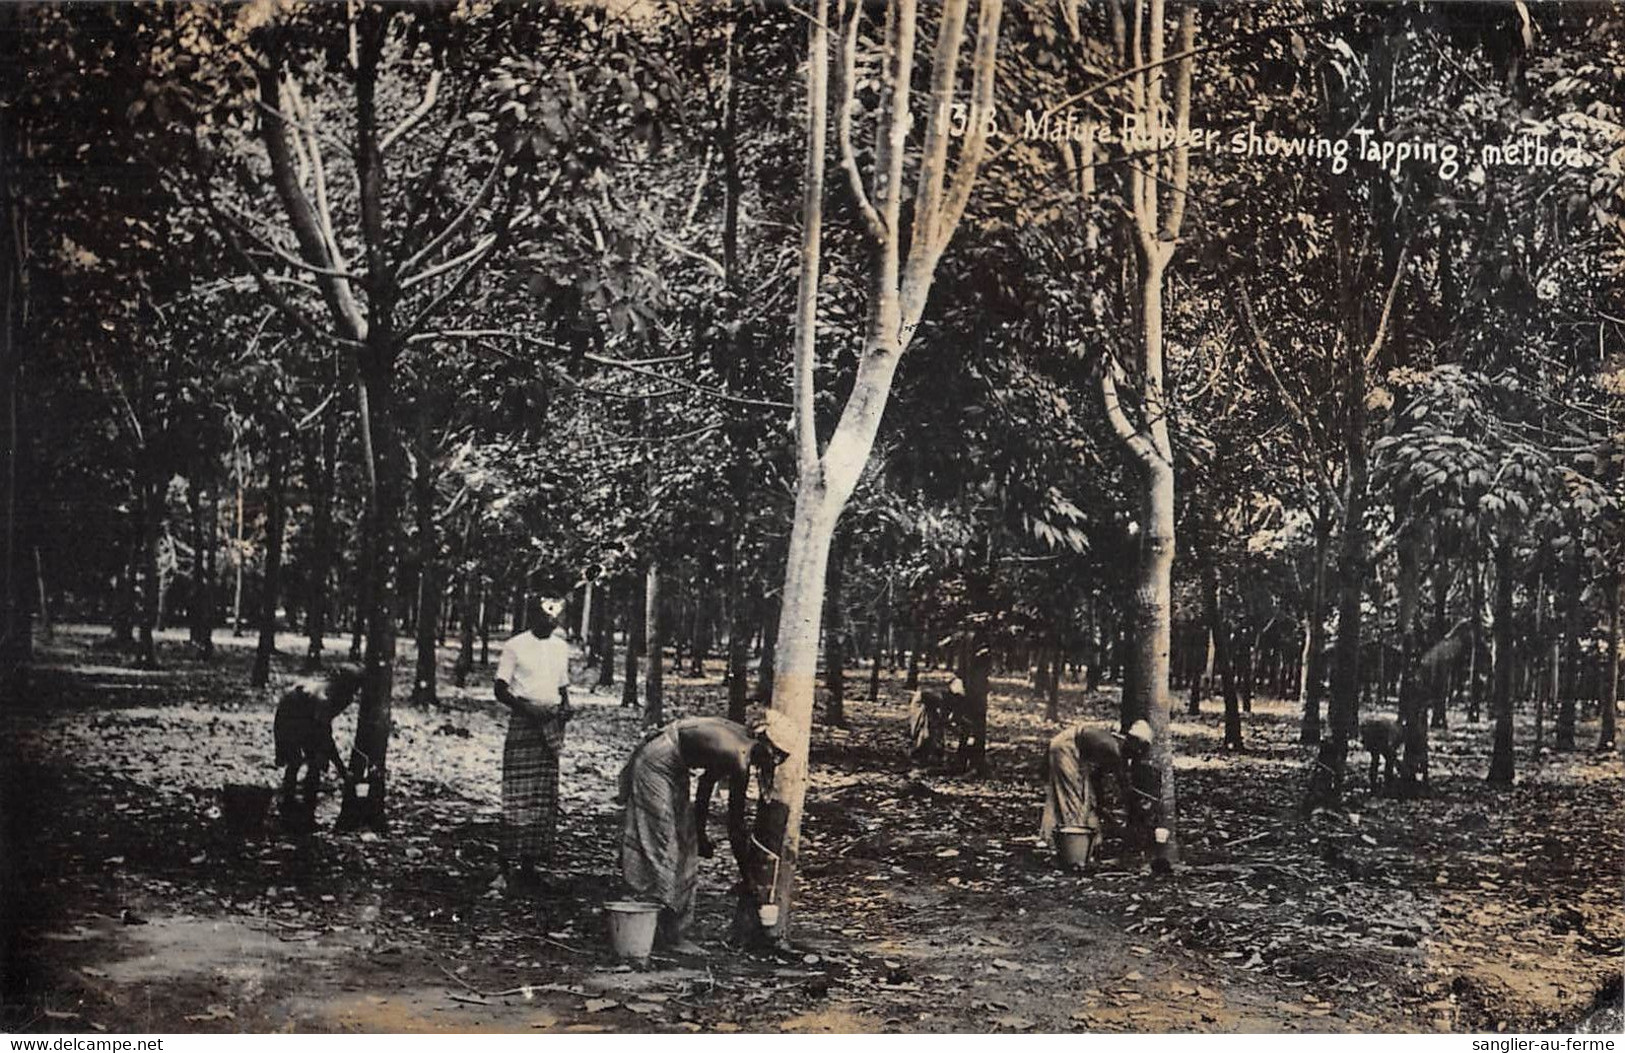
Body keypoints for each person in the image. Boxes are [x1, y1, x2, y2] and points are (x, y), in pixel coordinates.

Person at [616, 715, 785, 953]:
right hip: (656, 760)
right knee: (663, 844)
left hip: (676, 765)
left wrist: (700, 834)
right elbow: (735, 827)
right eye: (777, 756)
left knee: (687, 845)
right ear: (767, 746)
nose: (776, 764)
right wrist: (749, 878)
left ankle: (675, 931)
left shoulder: (741, 744)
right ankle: (651, 929)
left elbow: (706, 784)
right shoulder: (740, 756)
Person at [494, 596, 573, 890]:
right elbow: (500, 689)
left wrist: (565, 706)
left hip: (550, 725)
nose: (551, 622)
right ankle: (504, 866)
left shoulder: (560, 647)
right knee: (517, 795)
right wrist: (527, 709)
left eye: (556, 617)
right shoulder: (515, 646)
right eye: (546, 616)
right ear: (533, 617)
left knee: (543, 795)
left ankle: (530, 866)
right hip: (525, 723)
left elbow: (562, 686)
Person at [1039, 719, 1154, 867]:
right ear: (1133, 741)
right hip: (1066, 748)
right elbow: (1123, 785)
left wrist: (1100, 804)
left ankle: (1085, 846)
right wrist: (1136, 807)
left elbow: (1097, 777)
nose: (1138, 753)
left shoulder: (1116, 748)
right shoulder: (1113, 748)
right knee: (1071, 799)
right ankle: (1071, 852)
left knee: (1087, 800)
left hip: (1077, 753)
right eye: (1140, 748)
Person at [274, 663, 365, 829]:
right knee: (296, 761)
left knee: (316, 762)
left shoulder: (341, 697)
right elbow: (324, 734)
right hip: (290, 714)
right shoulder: (323, 698)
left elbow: (322, 728)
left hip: (308, 716)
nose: (353, 694)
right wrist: (342, 769)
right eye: (352, 688)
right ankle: (291, 810)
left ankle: (305, 812)